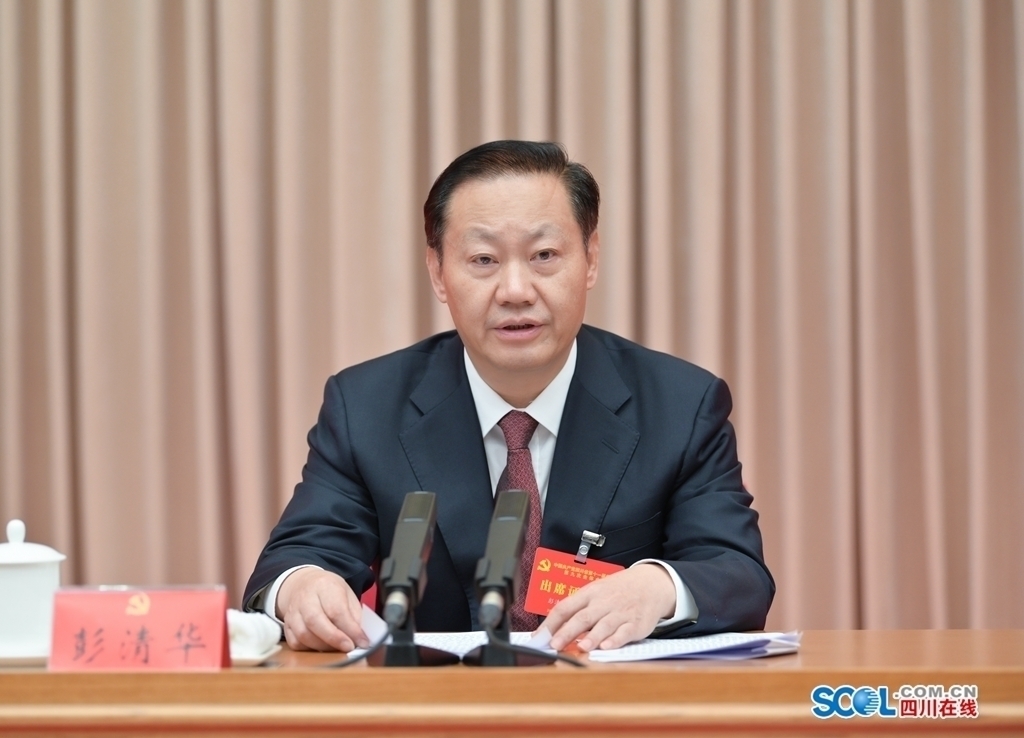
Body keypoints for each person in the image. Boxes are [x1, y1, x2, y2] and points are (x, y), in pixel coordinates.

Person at [243, 140, 774, 653]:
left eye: (544, 255)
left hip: (609, 699)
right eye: (483, 260)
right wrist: (302, 587)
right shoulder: (366, 407)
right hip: (441, 703)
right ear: (438, 273)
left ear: (590, 259)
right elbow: (296, 557)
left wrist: (657, 588)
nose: (516, 291)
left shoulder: (680, 405)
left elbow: (738, 573)